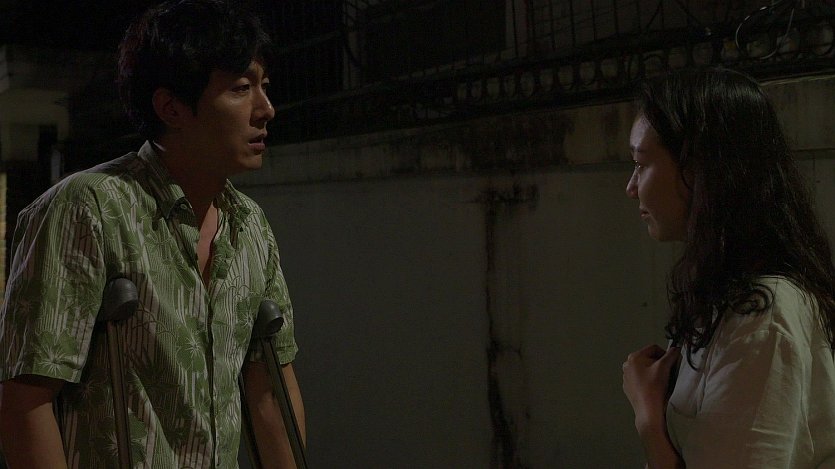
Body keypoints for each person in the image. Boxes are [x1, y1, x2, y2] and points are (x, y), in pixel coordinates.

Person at [0, 1, 305, 467]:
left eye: (264, 86)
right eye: (241, 88)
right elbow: (25, 400)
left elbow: (271, 393)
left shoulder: (251, 226)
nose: (266, 109)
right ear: (171, 107)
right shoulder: (89, 208)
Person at [621, 67, 835, 468]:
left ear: (698, 169)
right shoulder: (725, 291)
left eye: (641, 163)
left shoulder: (763, 321)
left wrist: (648, 418)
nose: (631, 187)